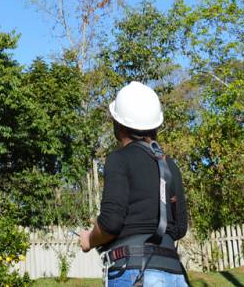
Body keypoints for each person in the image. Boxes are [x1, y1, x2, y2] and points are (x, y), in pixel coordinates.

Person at [78, 82, 189, 287]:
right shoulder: (169, 165)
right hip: (174, 275)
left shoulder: (119, 159)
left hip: (135, 273)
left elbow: (111, 223)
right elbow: (180, 228)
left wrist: (89, 239)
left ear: (119, 125)